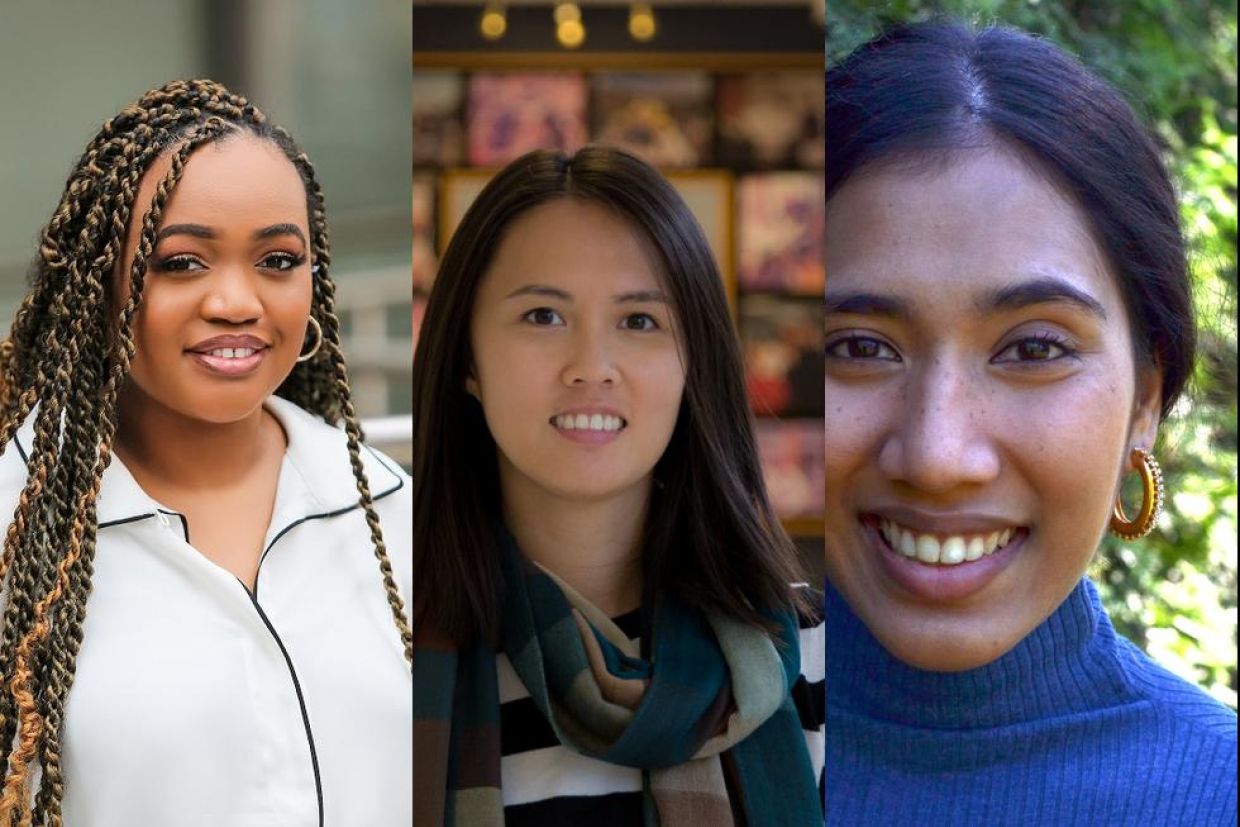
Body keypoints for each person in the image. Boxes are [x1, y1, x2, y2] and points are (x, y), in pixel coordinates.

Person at [824, 21, 1237, 825]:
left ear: (1145, 399)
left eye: (1036, 347)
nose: (939, 456)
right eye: (861, 346)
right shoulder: (607, 756)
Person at [0, 79, 412, 826]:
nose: (237, 301)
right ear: (98, 286)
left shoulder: (394, 510)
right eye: (182, 262)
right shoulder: (14, 531)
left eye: (278, 260)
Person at [412, 147, 824, 826]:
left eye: (640, 321)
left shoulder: (809, 658)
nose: (592, 367)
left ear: (693, 363)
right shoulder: (385, 663)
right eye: (543, 316)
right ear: (467, 360)